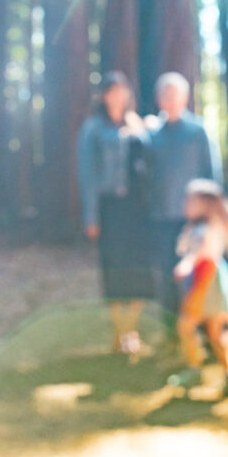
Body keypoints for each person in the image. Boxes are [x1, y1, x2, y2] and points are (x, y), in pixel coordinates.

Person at [77, 71, 156, 356]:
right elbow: (87, 174)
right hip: (110, 209)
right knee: (113, 269)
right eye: (111, 91)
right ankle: (118, 332)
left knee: (138, 269)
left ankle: (129, 331)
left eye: (122, 90)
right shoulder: (93, 129)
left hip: (137, 211)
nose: (117, 96)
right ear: (103, 95)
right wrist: (91, 216)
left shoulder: (140, 126)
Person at [169, 178, 228, 397]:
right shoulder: (204, 227)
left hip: (207, 282)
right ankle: (227, 373)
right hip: (211, 280)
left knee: (187, 326)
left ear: (205, 205)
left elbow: (199, 251)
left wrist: (186, 265)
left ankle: (197, 369)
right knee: (213, 333)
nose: (185, 204)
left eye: (190, 201)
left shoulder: (205, 229)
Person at [148, 72, 222, 319]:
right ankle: (170, 330)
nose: (170, 101)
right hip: (162, 218)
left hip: (194, 221)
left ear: (185, 98)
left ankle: (201, 330)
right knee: (166, 274)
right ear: (158, 99)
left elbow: (212, 176)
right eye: (165, 95)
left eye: (174, 95)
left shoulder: (198, 132)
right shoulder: (151, 135)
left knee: (200, 276)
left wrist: (211, 214)